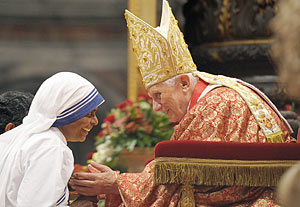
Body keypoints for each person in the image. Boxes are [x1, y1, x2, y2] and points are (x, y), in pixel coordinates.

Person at [70, 0, 294, 206]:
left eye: (158, 95)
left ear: (185, 83)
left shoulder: (213, 106)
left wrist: (116, 183)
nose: (156, 107)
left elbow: (195, 184)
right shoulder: (215, 96)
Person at [0, 72, 105, 207]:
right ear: (67, 111)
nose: (95, 121)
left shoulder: (16, 138)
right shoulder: (50, 146)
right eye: (89, 114)